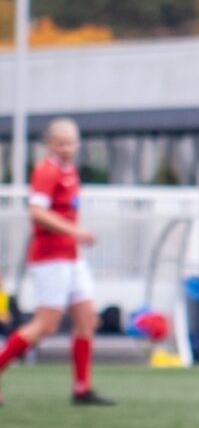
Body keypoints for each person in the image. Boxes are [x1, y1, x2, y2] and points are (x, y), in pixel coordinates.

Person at [0, 118, 114, 407]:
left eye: (71, 143)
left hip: (71, 258)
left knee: (86, 320)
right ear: (49, 145)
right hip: (49, 258)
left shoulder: (71, 172)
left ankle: (82, 388)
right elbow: (37, 212)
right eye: (60, 143)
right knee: (46, 325)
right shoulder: (46, 172)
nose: (66, 148)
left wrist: (75, 238)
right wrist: (75, 232)